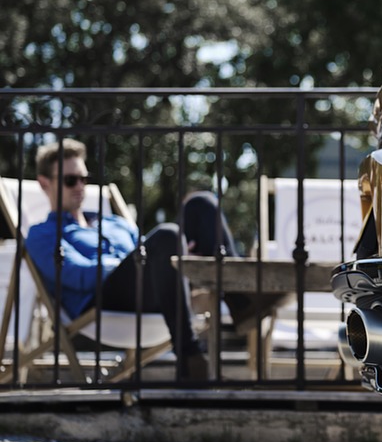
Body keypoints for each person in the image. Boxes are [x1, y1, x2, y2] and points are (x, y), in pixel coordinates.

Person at [24, 138, 246, 381]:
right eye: (70, 180)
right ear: (45, 184)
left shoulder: (113, 223)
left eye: (84, 179)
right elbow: (77, 275)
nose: (80, 186)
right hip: (103, 300)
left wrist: (179, 255)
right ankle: (190, 356)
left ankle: (242, 304)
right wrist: (130, 262)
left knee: (201, 204)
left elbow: (147, 252)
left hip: (151, 288)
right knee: (167, 235)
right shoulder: (42, 234)